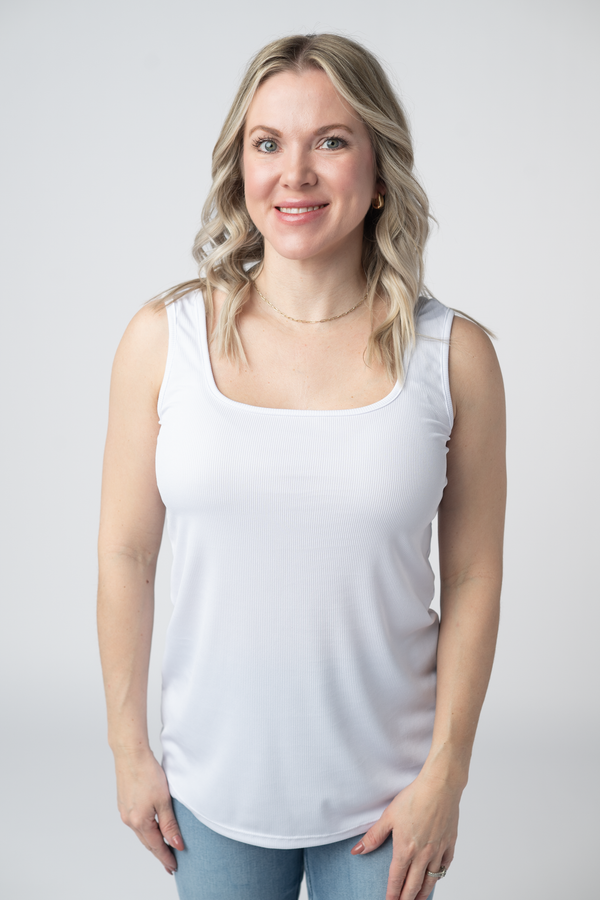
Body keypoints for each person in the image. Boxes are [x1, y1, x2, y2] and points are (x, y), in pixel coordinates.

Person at [97, 33, 506, 900]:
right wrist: (130, 751)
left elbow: (472, 575)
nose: (297, 174)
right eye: (268, 143)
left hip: (387, 804)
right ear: (239, 168)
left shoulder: (453, 355)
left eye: (331, 140)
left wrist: (447, 776)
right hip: (209, 797)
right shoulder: (163, 340)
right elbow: (126, 557)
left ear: (379, 166)